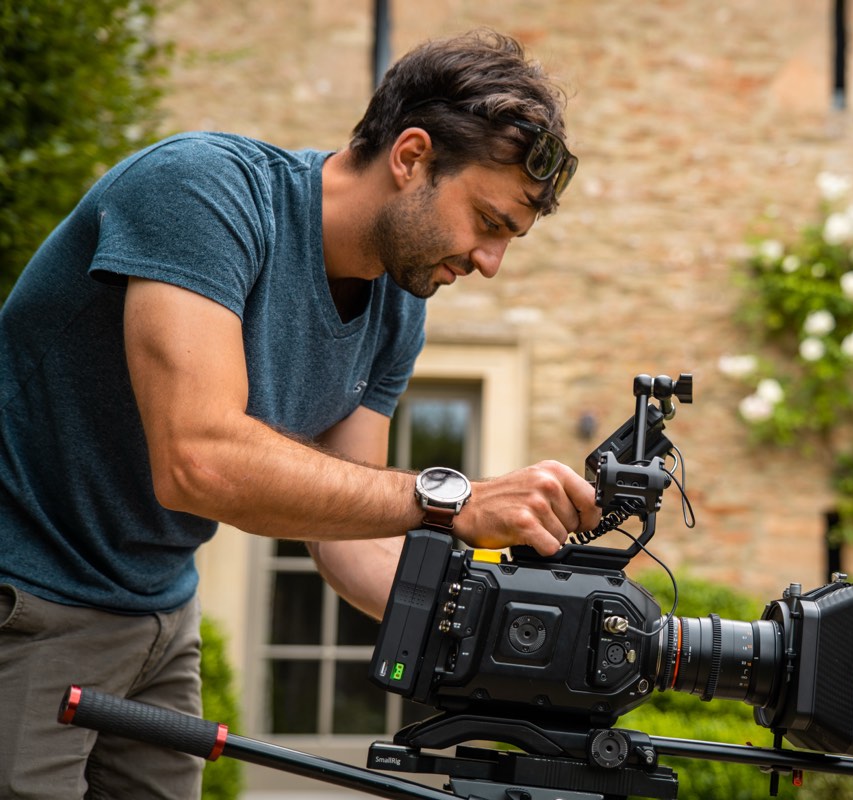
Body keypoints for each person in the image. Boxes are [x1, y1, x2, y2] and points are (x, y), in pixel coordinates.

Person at [0, 28, 597, 799]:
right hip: (30, 600)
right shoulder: (202, 192)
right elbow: (199, 462)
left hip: (160, 618)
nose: (490, 262)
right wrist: (458, 500)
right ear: (411, 155)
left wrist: (513, 631)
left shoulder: (398, 306)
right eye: (487, 222)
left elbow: (350, 542)